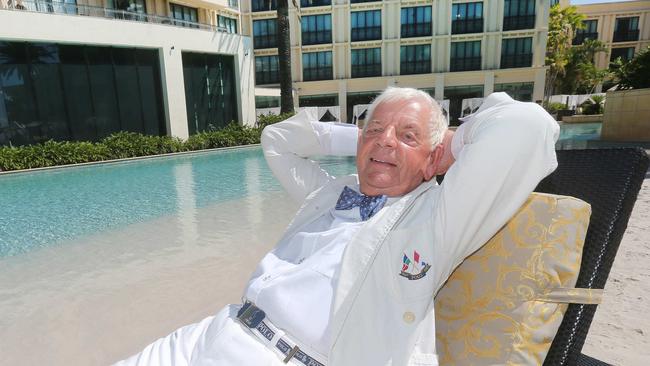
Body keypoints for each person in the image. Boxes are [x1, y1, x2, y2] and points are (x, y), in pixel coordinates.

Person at [115, 87, 559, 366]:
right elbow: (278, 141)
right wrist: (371, 137)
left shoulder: (438, 220)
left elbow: (529, 127)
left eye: (408, 136)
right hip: (213, 332)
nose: (385, 140)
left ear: (433, 159)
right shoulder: (328, 192)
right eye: (375, 130)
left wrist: (451, 142)